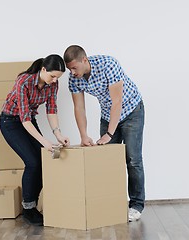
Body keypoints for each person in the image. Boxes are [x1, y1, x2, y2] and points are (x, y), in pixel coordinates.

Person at [63, 45, 145, 222]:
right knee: (106, 160)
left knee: (132, 159)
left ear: (84, 60)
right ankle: (111, 204)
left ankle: (136, 205)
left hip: (131, 111)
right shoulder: (74, 78)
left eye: (74, 67)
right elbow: (79, 107)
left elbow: (117, 101)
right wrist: (83, 135)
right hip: (108, 115)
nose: (72, 71)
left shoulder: (108, 64)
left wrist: (109, 133)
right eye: (69, 68)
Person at [0, 54, 70, 226]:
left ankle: (33, 205)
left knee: (42, 162)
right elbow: (24, 119)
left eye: (57, 78)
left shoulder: (53, 84)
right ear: (43, 69)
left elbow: (51, 109)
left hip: (29, 120)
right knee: (32, 162)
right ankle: (28, 209)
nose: (54, 81)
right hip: (11, 122)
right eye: (52, 76)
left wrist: (58, 134)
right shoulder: (24, 81)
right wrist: (44, 141)